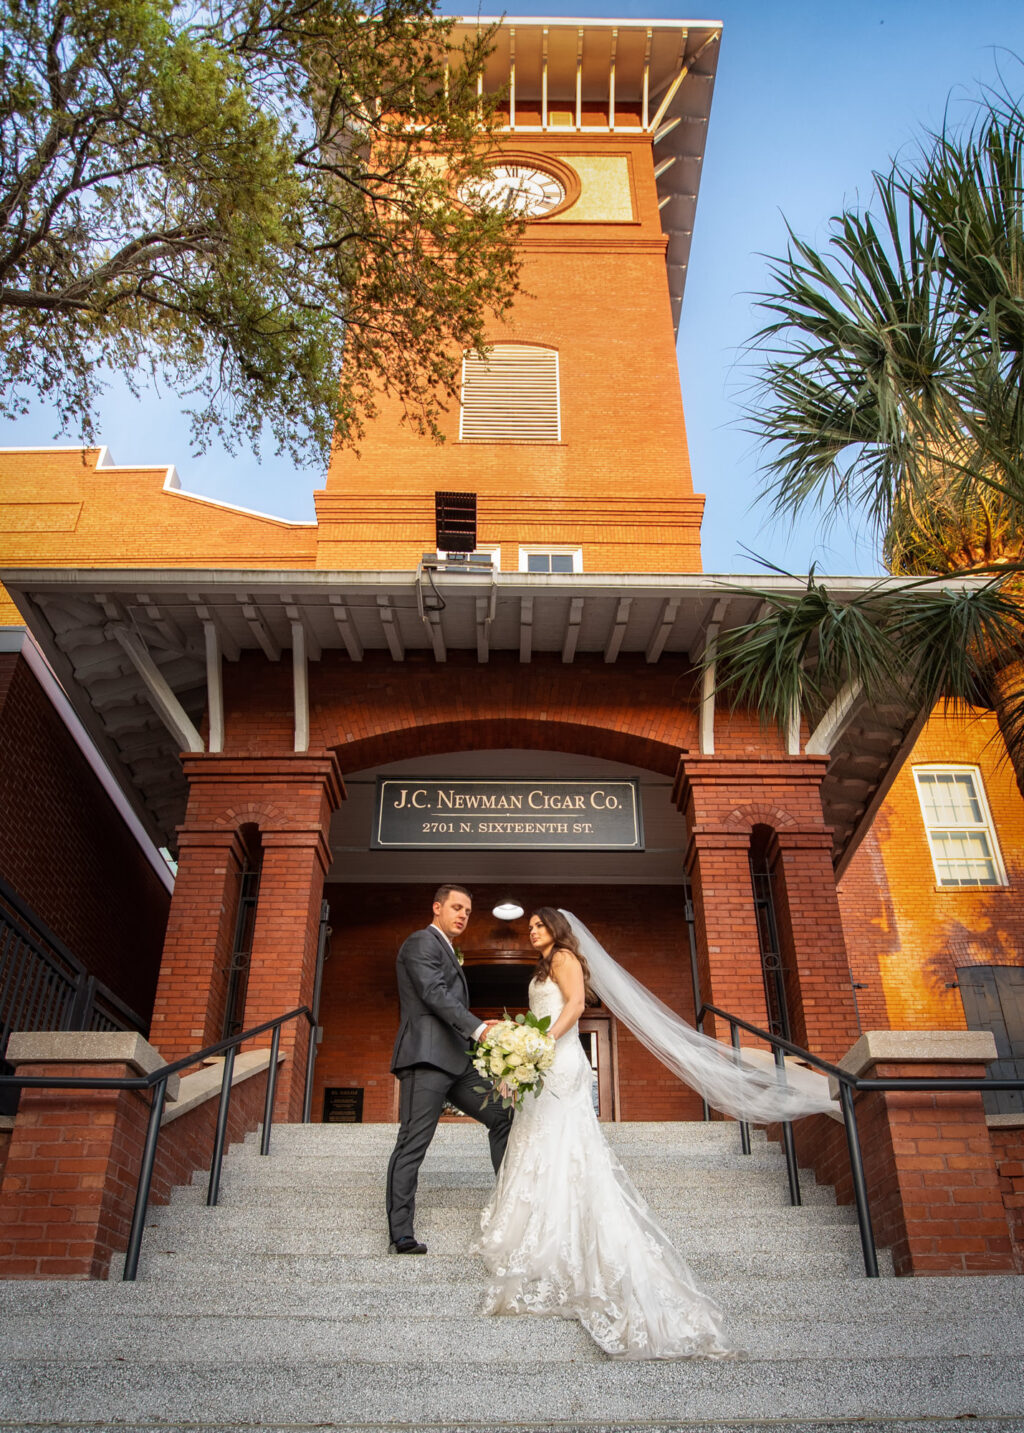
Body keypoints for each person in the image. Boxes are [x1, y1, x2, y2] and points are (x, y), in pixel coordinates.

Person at [472, 907, 734, 1358]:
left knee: (561, 1145)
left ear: (556, 928)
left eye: (539, 925)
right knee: (536, 1141)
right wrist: (521, 1056)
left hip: (559, 1061)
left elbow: (575, 1005)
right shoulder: (545, 964)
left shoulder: (565, 958)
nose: (532, 931)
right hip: (543, 1061)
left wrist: (538, 1045)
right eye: (530, 926)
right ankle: (535, 1230)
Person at [386, 884, 513, 1255]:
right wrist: (478, 1027)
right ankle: (401, 1233)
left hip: (457, 1062)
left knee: (504, 1115)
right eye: (456, 907)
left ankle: (511, 1204)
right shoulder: (421, 942)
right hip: (426, 1059)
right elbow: (433, 994)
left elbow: (448, 1001)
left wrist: (477, 1030)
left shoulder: (447, 949)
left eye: (468, 911)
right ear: (437, 907)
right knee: (413, 1144)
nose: (462, 915)